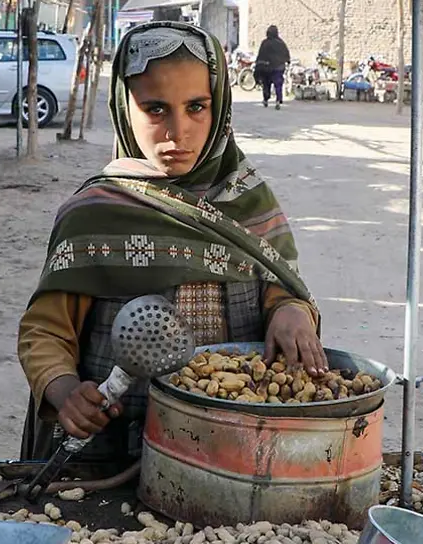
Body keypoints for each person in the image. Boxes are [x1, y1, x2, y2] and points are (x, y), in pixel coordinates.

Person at [18, 22, 325, 468]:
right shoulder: (95, 215)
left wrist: (292, 311)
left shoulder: (249, 202)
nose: (177, 132)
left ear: (219, 106)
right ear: (124, 107)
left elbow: (283, 287)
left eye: (197, 107)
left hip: (236, 448)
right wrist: (64, 391)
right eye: (155, 109)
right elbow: (45, 332)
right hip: (114, 452)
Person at [254, 25, 290, 109]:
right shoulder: (281, 43)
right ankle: (278, 100)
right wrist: (287, 60)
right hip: (278, 67)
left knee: (266, 83)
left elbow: (261, 55)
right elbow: (286, 53)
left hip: (267, 67)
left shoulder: (265, 43)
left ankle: (266, 99)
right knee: (278, 84)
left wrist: (258, 65)